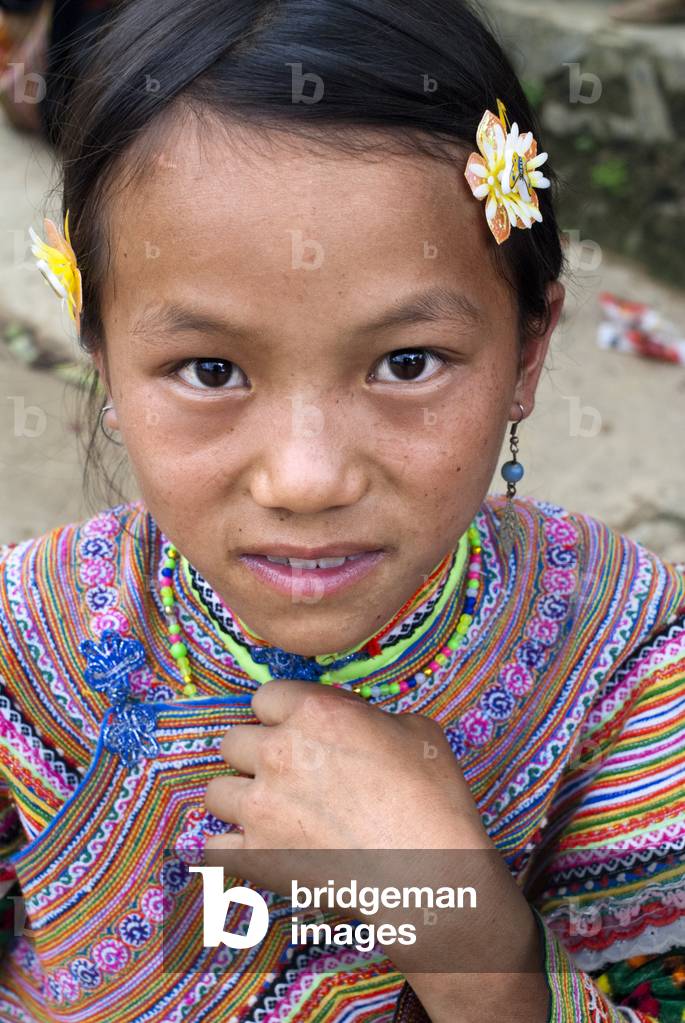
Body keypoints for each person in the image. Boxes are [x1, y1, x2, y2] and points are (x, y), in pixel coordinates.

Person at [0, 0, 683, 1020]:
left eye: (407, 363)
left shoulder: (625, 672)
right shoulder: (26, 639)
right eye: (209, 368)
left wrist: (460, 927)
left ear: (528, 352)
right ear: (102, 358)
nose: (306, 478)